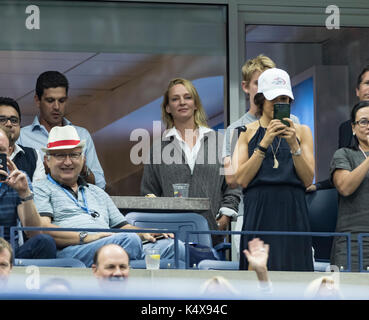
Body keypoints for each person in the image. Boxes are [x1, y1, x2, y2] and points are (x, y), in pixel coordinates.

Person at [33, 125, 185, 267]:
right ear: (47, 161)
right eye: (60, 155)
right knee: (129, 241)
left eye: (73, 155)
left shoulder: (97, 192)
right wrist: (89, 236)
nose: (67, 162)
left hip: (113, 243)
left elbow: (124, 227)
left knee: (176, 247)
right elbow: (43, 229)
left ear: (83, 159)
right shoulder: (41, 188)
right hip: (73, 250)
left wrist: (146, 232)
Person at [140, 78, 240, 245]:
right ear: (167, 108)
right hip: (171, 238)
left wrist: (224, 218)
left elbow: (233, 187)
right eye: (175, 99)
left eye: (187, 97)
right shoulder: (158, 148)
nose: (182, 102)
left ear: (195, 104)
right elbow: (149, 193)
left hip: (211, 235)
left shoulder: (219, 141)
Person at [233, 68, 314, 271]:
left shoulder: (302, 131)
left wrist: (294, 144)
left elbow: (307, 179)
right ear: (261, 100)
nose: (280, 105)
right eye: (274, 100)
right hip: (259, 209)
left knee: (295, 274)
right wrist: (264, 142)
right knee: (257, 274)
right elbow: (241, 179)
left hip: (293, 209)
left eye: (285, 100)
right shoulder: (246, 133)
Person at [222, 55, 300, 256]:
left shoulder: (294, 123)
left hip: (288, 212)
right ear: (246, 87)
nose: (265, 88)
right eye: (258, 83)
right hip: (248, 212)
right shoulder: (236, 129)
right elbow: (232, 178)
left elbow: (305, 173)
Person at [17, 71, 106, 189]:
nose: (56, 107)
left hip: (76, 204)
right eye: (50, 100)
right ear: (37, 100)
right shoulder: (22, 137)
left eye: (61, 100)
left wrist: (84, 169)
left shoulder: (82, 135)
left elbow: (100, 185)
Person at [307, 65, 369, 192]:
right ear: (357, 90)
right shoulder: (346, 128)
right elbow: (341, 170)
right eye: (367, 83)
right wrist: (318, 186)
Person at [0, 127, 56, 260]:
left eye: (0, 151)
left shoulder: (19, 179)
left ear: (8, 152)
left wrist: (24, 193)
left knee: (45, 242)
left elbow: (34, 233)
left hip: (10, 255)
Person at [330, 100, 369, 272]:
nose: (368, 126)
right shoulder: (344, 154)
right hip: (352, 241)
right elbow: (345, 187)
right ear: (353, 127)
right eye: (363, 121)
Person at [0, 97, 45, 182]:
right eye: (2, 119)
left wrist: (24, 189)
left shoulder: (33, 155)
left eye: (14, 120)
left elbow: (40, 193)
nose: (9, 124)